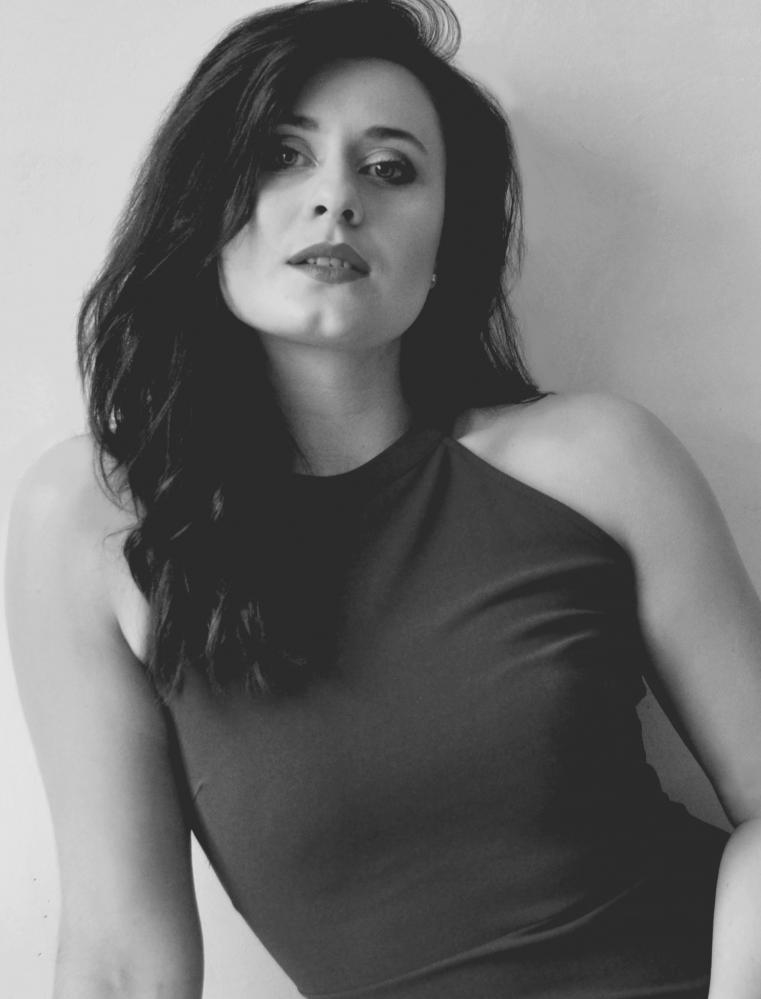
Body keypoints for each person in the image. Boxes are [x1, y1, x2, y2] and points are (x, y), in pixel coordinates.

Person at [5, 0, 761, 996]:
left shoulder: (593, 460)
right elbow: (117, 961)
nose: (335, 199)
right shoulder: (93, 524)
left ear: (445, 242)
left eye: (390, 169)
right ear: (202, 203)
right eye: (280, 156)